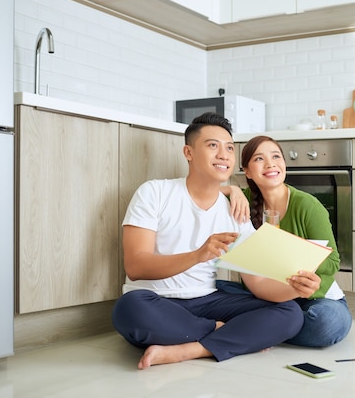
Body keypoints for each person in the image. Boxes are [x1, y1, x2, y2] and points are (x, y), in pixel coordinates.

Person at [112, 113, 304, 369]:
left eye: (228, 148)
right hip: (156, 300)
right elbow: (136, 267)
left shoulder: (234, 211)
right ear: (188, 152)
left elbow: (256, 281)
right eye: (213, 145)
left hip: (207, 300)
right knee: (129, 309)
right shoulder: (155, 192)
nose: (223, 154)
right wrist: (197, 255)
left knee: (289, 313)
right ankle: (223, 334)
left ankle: (190, 349)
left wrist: (296, 288)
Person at [220, 135, 352, 347]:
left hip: (312, 299)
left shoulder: (307, 205)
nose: (271, 163)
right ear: (247, 171)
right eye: (259, 159)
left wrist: (297, 253)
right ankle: (269, 326)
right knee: (213, 289)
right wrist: (230, 189)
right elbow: (201, 193)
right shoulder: (241, 200)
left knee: (327, 324)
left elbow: (333, 261)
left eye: (275, 156)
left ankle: (256, 327)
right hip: (262, 295)